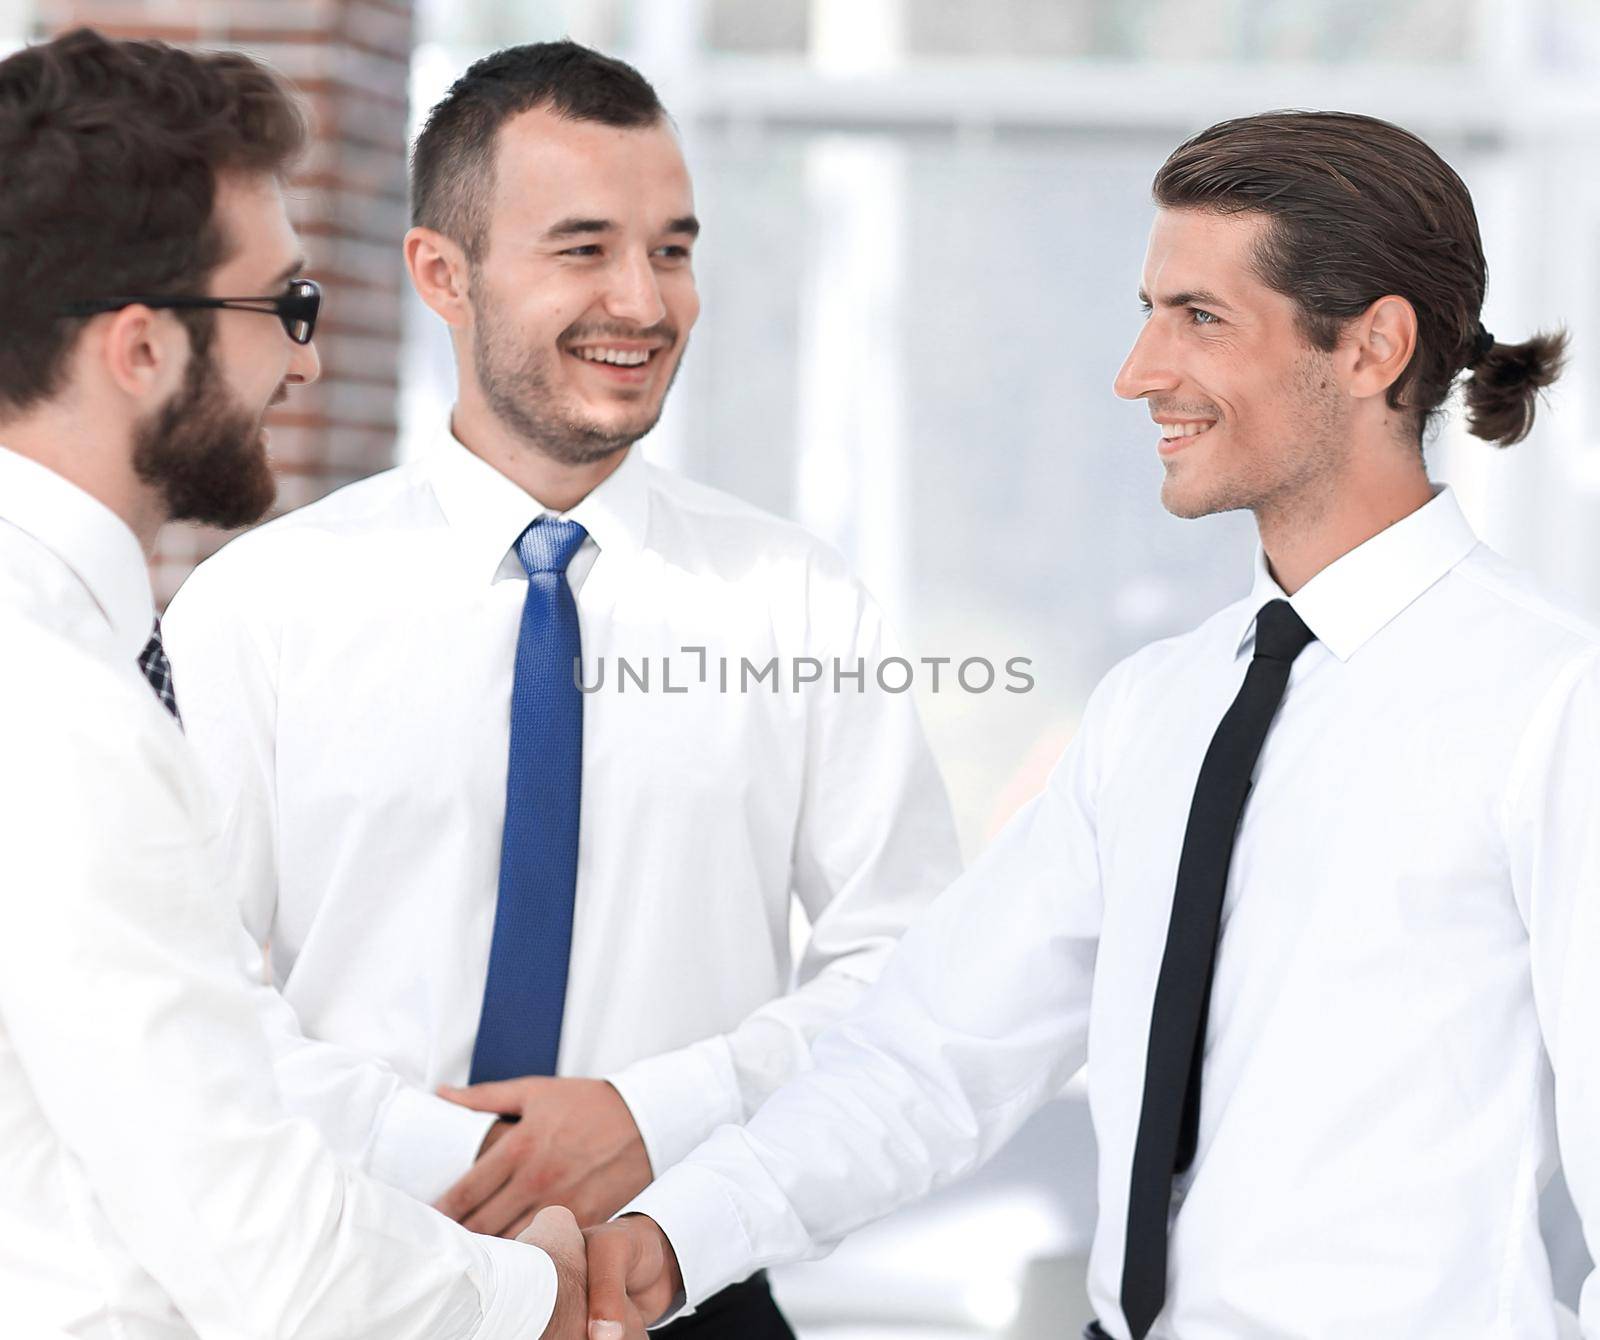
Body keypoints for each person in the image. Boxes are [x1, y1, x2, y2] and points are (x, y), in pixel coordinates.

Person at [585, 111, 1599, 1340]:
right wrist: (669, 1239)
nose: (1139, 371)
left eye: (1200, 317)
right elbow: (929, 1056)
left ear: (1371, 346)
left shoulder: (1551, 702)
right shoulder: (1155, 710)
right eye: (1149, 309)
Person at [160, 40, 961, 1340]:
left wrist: (656, 1119)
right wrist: (444, 1160)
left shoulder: (796, 603)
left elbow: (914, 973)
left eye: (674, 249)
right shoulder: (262, 608)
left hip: (680, 1288)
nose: (643, 301)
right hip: (358, 1288)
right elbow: (181, 981)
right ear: (443, 273)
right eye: (583, 248)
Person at [0, 28, 595, 1339]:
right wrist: (540, 1292)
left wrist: (463, 1164)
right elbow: (269, 1258)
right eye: (289, 309)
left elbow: (189, 1053)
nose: (309, 362)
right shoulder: (55, 704)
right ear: (142, 348)